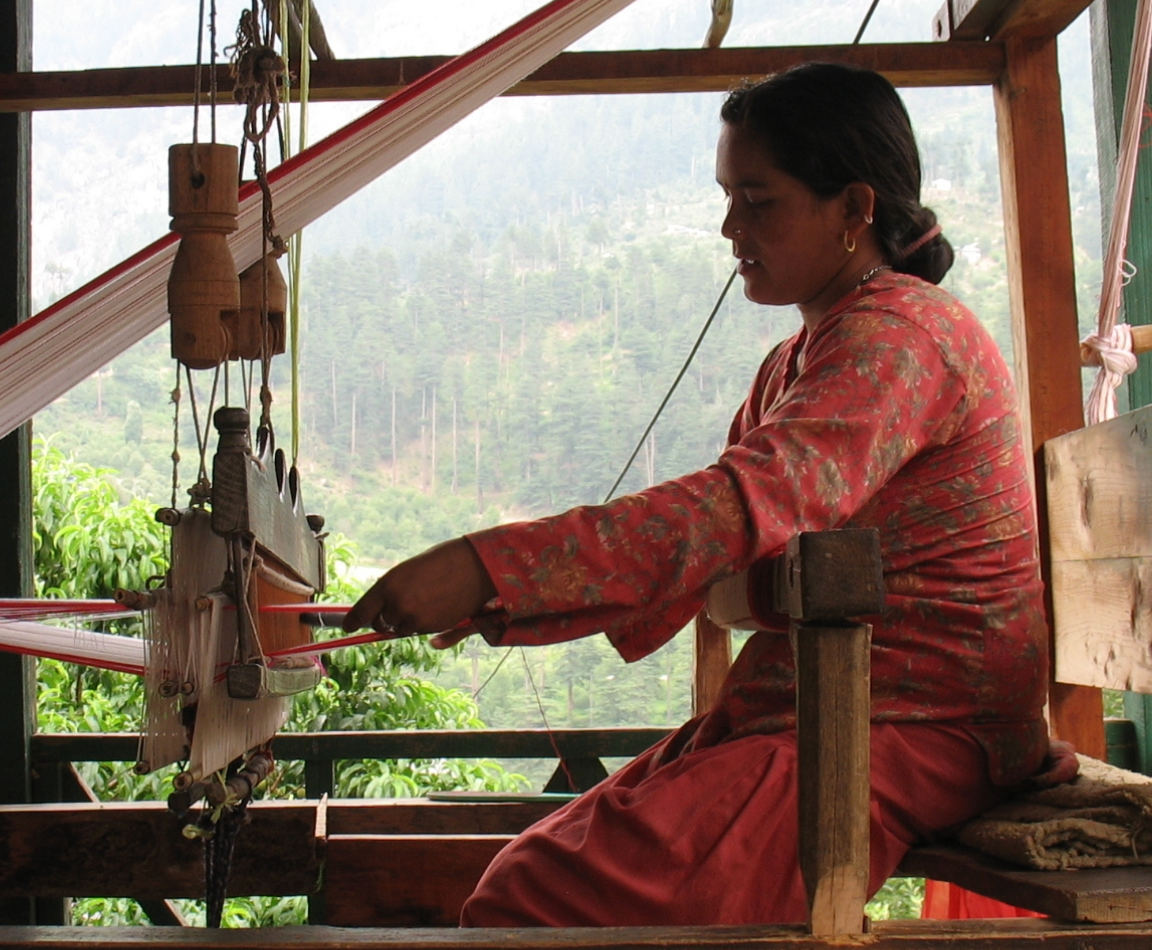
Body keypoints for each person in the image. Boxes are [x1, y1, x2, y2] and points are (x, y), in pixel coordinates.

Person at [339, 62, 1061, 927]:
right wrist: (498, 600)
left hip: (924, 721)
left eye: (759, 201)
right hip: (818, 707)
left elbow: (730, 510)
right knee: (526, 871)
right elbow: (712, 550)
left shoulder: (904, 340)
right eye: (728, 197)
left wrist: (486, 567)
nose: (730, 228)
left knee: (535, 902)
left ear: (855, 209)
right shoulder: (804, 357)